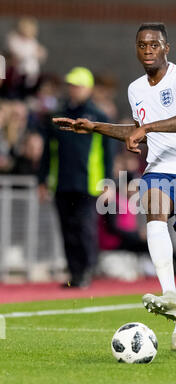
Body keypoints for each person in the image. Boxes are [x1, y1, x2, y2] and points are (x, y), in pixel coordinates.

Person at [53, 23, 176, 353]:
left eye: (155, 44)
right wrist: (94, 126)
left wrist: (148, 128)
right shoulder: (135, 89)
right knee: (153, 203)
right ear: (136, 49)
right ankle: (168, 293)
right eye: (142, 44)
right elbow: (136, 131)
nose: (148, 49)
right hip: (159, 168)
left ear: (167, 47)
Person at [39, 67, 114, 288]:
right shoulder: (58, 117)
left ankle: (86, 270)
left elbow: (107, 154)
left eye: (78, 85)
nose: (74, 89)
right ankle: (74, 272)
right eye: (71, 85)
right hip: (62, 182)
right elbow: (47, 151)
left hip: (88, 183)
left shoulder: (99, 117)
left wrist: (108, 183)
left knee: (84, 229)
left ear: (88, 88)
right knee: (66, 230)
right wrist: (42, 181)